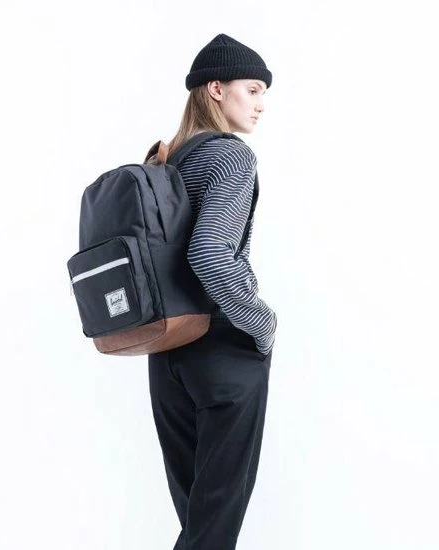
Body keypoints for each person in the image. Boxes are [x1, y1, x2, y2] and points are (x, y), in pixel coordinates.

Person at [147, 33, 277, 550]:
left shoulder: (168, 161)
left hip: (167, 350)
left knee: (198, 525)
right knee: (213, 531)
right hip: (224, 346)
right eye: (253, 90)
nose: (261, 104)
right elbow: (208, 253)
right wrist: (263, 325)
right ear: (216, 89)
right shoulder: (231, 157)